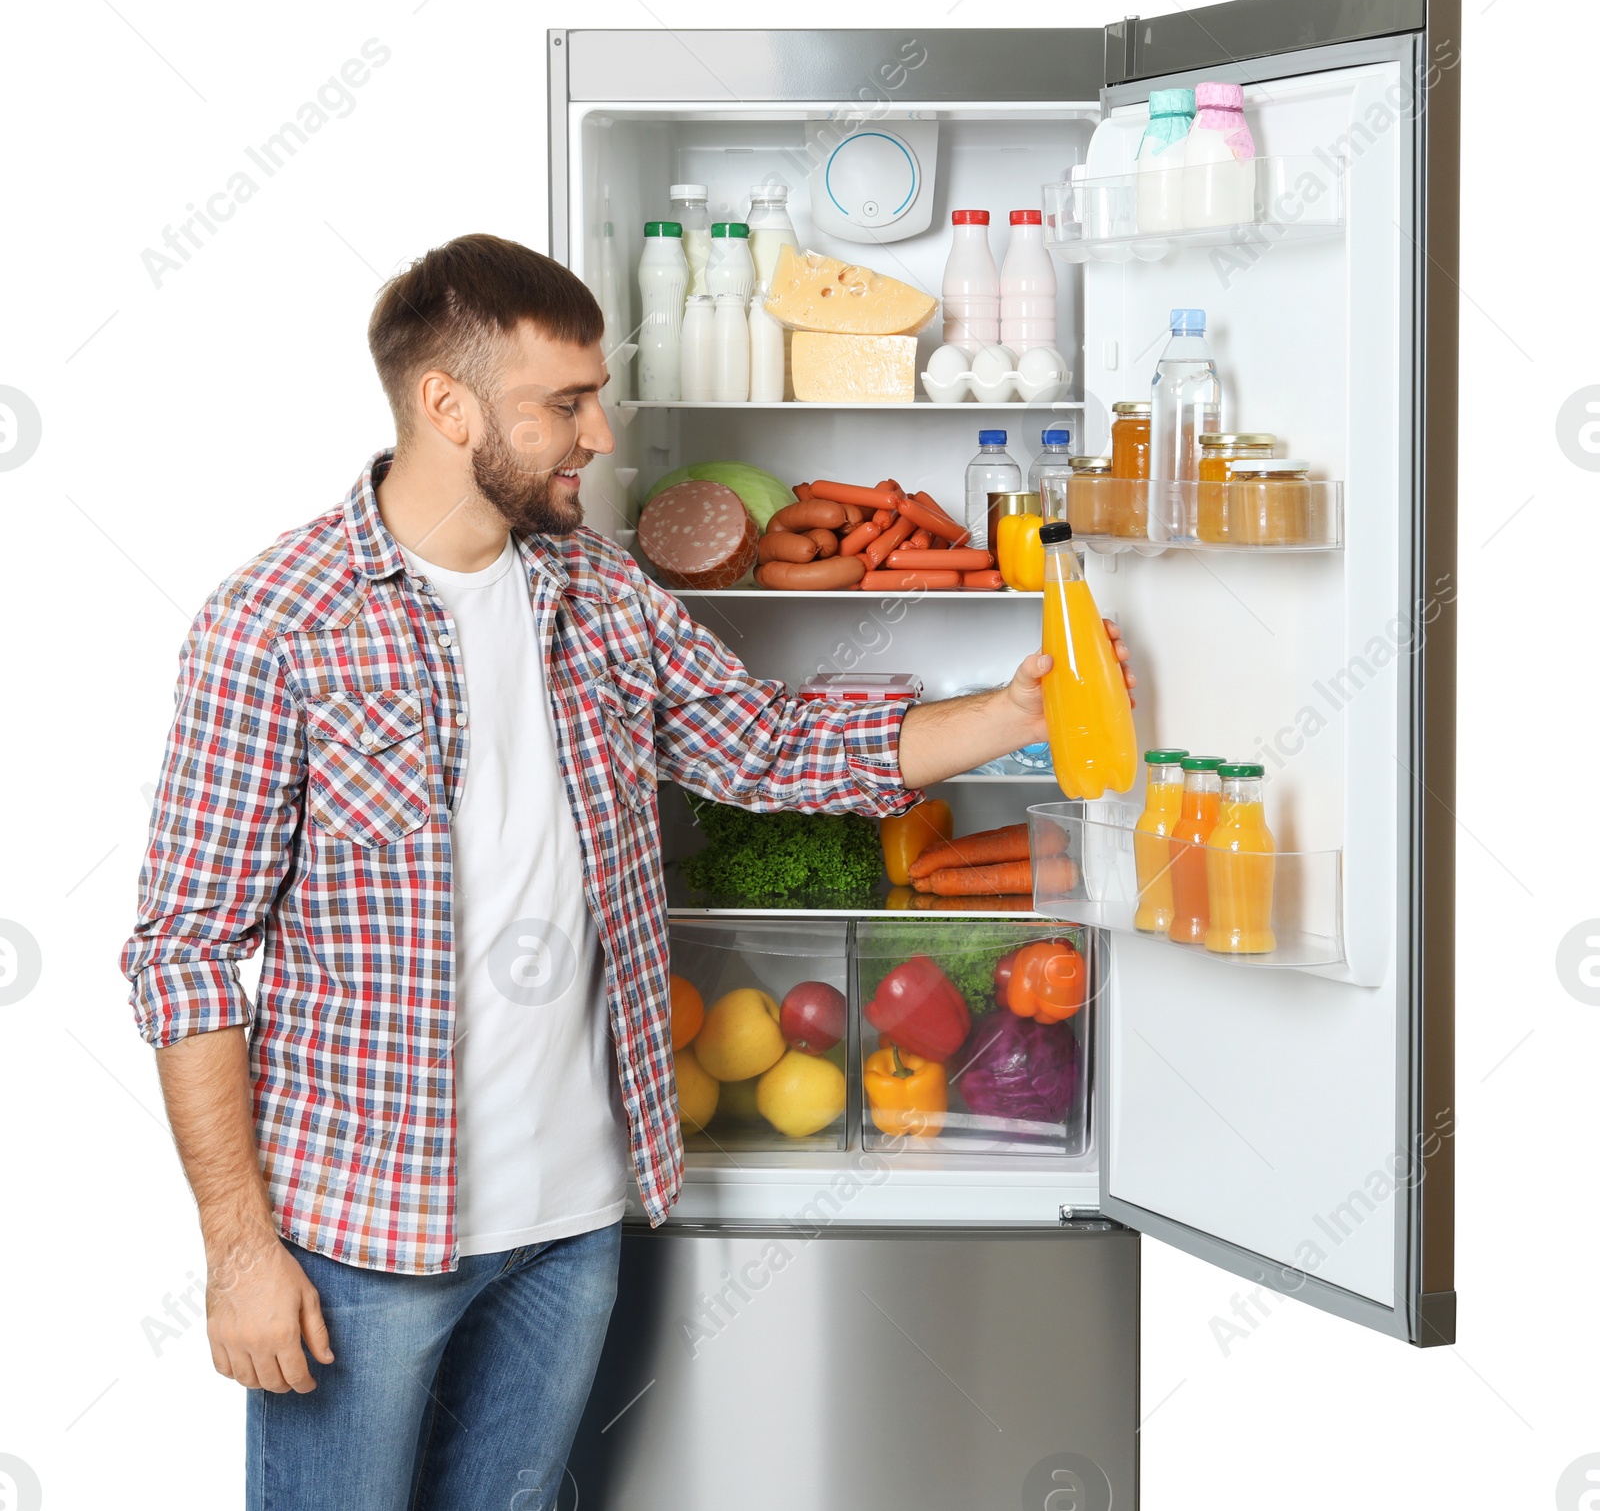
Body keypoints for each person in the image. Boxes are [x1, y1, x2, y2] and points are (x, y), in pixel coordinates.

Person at [120, 234, 1134, 1510]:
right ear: (447, 405)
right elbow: (187, 950)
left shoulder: (600, 592)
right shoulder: (276, 622)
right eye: (565, 403)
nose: (600, 433)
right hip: (361, 1236)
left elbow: (764, 743)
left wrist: (1011, 707)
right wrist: (236, 1251)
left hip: (575, 1217)